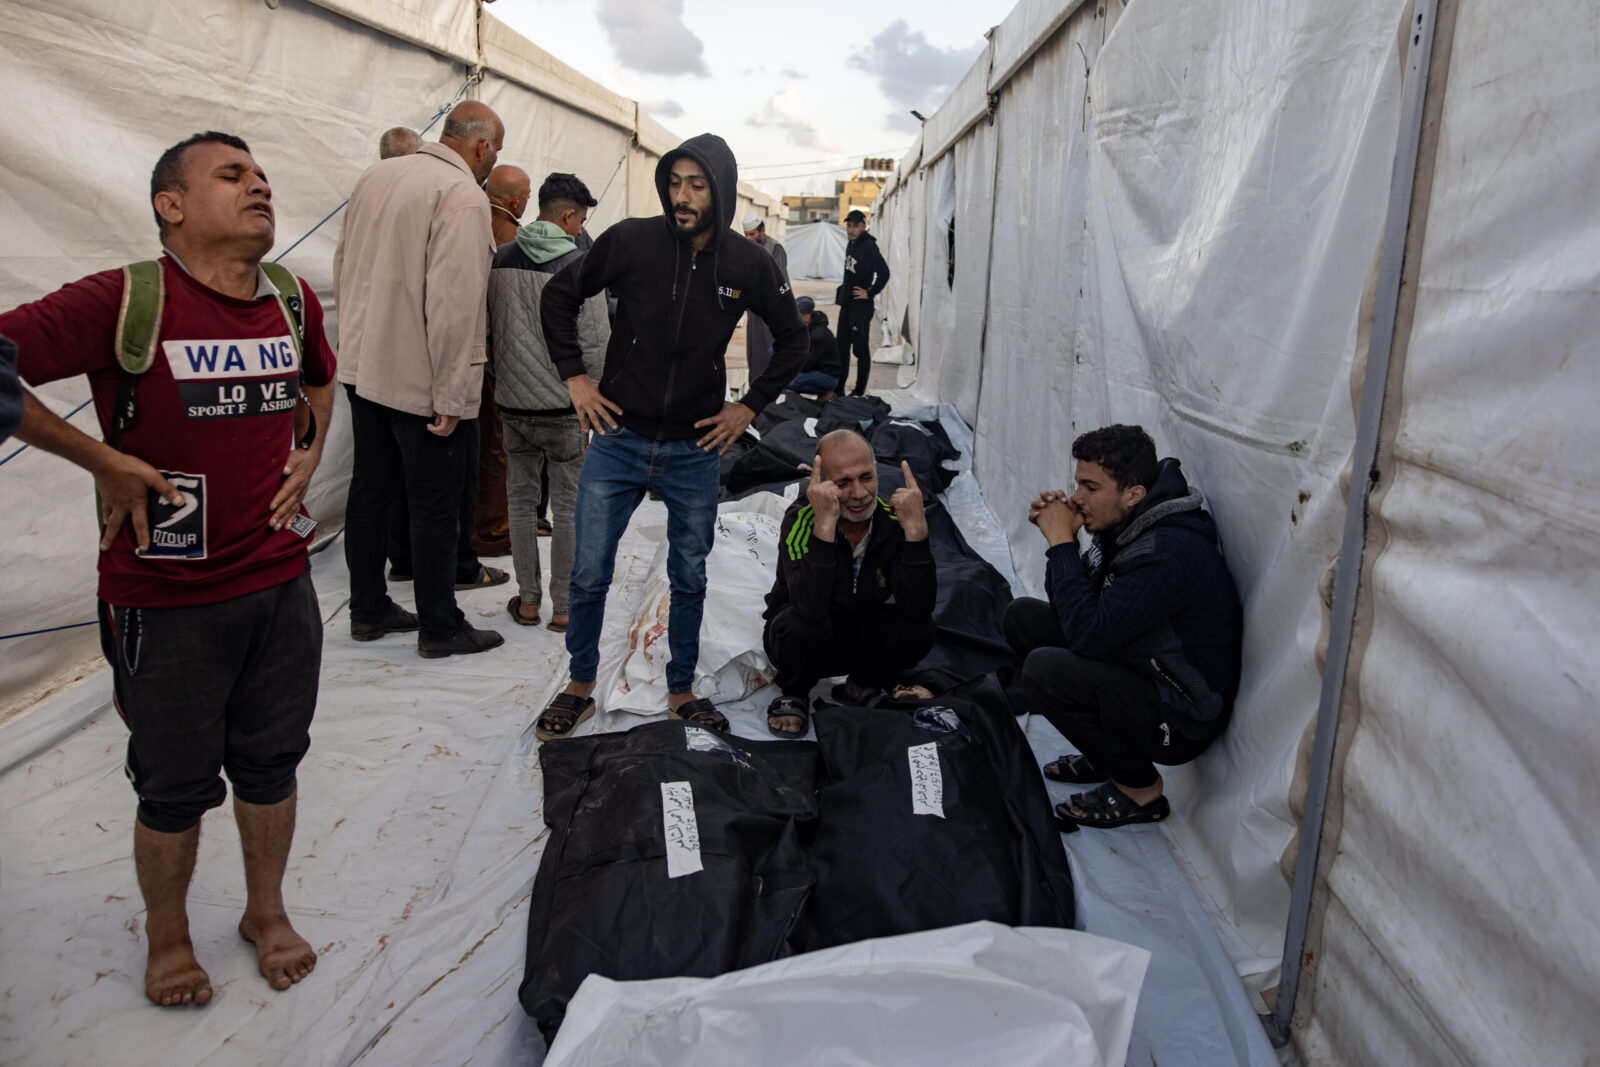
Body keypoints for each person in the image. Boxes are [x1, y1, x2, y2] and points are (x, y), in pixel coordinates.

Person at [0, 131, 336, 1005]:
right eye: (233, 174)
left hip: (279, 584)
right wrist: (98, 458)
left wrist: (311, 442)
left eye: (264, 173)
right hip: (166, 600)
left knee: (273, 764)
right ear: (171, 205)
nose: (259, 184)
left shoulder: (293, 300)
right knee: (176, 784)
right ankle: (170, 936)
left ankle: (265, 913)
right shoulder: (126, 299)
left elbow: (321, 379)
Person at [535, 133, 807, 740]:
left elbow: (794, 339)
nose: (681, 197)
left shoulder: (748, 263)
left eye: (697, 185)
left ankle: (680, 688)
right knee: (588, 571)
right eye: (674, 183)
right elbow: (560, 295)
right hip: (618, 436)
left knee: (690, 575)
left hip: (694, 448)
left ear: (721, 192)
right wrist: (576, 379)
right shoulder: (630, 240)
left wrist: (750, 408)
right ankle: (580, 682)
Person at [1003, 424, 1243, 829]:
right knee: (1023, 617)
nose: (1077, 498)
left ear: (1133, 494)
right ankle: (1106, 755)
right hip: (1142, 662)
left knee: (1046, 670)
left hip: (1181, 714)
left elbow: (1086, 634)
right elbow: (1074, 606)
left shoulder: (1164, 554)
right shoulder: (1127, 525)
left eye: (1090, 487)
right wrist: (1065, 545)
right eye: (1077, 483)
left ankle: (1139, 789)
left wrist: (1061, 544)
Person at [335, 100, 507, 658]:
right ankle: (440, 625)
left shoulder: (377, 175)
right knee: (435, 501)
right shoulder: (460, 195)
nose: (493, 160)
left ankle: (368, 609)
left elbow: (343, 265)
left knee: (371, 489)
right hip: (418, 376)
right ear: (480, 147)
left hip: (364, 366)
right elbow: (455, 303)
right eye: (495, 151)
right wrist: (455, 393)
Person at [489, 172, 607, 632]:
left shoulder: (498, 259)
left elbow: (489, 333)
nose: (580, 229)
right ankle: (563, 607)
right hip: (566, 406)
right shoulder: (582, 266)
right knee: (569, 507)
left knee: (519, 504)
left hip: (513, 405)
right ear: (568, 216)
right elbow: (596, 344)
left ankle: (529, 601)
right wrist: (593, 397)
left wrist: (506, 382)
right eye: (580, 220)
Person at [762, 429, 935, 736]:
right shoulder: (801, 520)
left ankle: (861, 684)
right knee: (797, 625)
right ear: (821, 484)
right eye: (843, 483)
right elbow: (809, 607)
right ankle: (795, 692)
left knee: (918, 628)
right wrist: (825, 526)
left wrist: (917, 535)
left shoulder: (892, 521)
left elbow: (918, 607)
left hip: (861, 632)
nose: (858, 493)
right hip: (810, 635)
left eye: (866, 477)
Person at [472, 164, 532, 558]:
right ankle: (492, 531)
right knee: (497, 447)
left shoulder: (471, 224)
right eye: (526, 195)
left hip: (466, 353)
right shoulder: (510, 239)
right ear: (514, 201)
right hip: (496, 358)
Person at [837, 209, 889, 396]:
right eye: (849, 226)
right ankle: (839, 389)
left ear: (863, 226)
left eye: (855, 226)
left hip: (860, 307)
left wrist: (870, 292)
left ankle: (859, 391)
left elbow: (884, 273)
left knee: (860, 350)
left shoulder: (869, 246)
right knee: (841, 348)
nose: (851, 230)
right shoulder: (851, 244)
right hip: (847, 304)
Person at [740, 213, 788, 382]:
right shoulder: (747, 249)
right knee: (755, 354)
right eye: (746, 235)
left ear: (762, 231)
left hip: (772, 311)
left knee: (770, 352)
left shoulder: (775, 248)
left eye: (752, 234)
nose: (749, 238)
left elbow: (777, 281)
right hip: (754, 310)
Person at [784, 295, 845, 399]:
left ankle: (826, 392)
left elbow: (806, 365)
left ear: (806, 317)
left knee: (786, 381)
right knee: (773, 352)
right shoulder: (807, 328)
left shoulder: (818, 335)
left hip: (827, 376)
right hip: (815, 370)